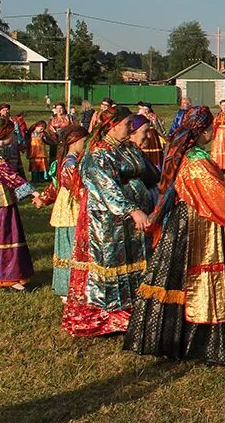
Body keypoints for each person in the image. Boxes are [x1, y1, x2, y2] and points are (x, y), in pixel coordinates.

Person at [124, 106, 225, 366]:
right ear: (202, 131)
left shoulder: (180, 152)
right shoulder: (197, 162)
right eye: (209, 127)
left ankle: (174, 340)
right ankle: (210, 347)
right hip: (200, 223)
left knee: (177, 280)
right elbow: (218, 197)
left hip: (181, 223)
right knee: (204, 281)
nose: (212, 131)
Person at [62, 106, 158, 337]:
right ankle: (108, 317)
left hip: (133, 220)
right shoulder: (98, 154)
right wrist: (133, 210)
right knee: (112, 264)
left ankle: (131, 308)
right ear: (112, 126)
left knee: (134, 261)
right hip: (108, 221)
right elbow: (107, 189)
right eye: (126, 125)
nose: (129, 129)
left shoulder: (126, 148)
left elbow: (149, 173)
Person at [0, 118, 40, 291]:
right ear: (4, 134)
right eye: (12, 133)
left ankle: (0, 274)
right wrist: (34, 192)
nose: (14, 137)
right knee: (4, 235)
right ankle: (6, 277)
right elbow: (9, 175)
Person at [32, 125, 89, 298]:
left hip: (70, 206)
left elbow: (54, 185)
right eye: (84, 142)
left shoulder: (70, 160)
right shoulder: (70, 163)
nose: (86, 145)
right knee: (71, 245)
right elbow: (75, 187)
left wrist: (43, 198)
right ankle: (68, 288)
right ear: (75, 141)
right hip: (72, 209)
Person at [135, 102, 167, 169]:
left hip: (152, 135)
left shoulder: (153, 116)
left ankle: (155, 164)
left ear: (149, 109)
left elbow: (158, 127)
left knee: (153, 148)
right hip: (143, 134)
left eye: (146, 109)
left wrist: (162, 134)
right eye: (144, 109)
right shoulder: (140, 115)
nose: (145, 110)